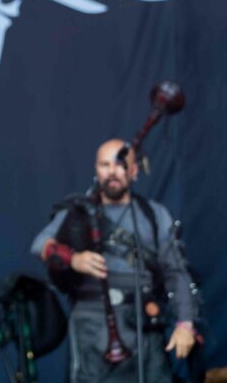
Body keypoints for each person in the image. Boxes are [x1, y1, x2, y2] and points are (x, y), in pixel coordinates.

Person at [31, 139, 199, 382]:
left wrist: (185, 323)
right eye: (104, 164)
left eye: (120, 165)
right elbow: (40, 245)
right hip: (91, 324)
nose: (112, 172)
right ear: (96, 170)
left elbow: (176, 271)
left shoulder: (154, 215)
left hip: (142, 321)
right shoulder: (77, 211)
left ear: (134, 171)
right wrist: (74, 258)